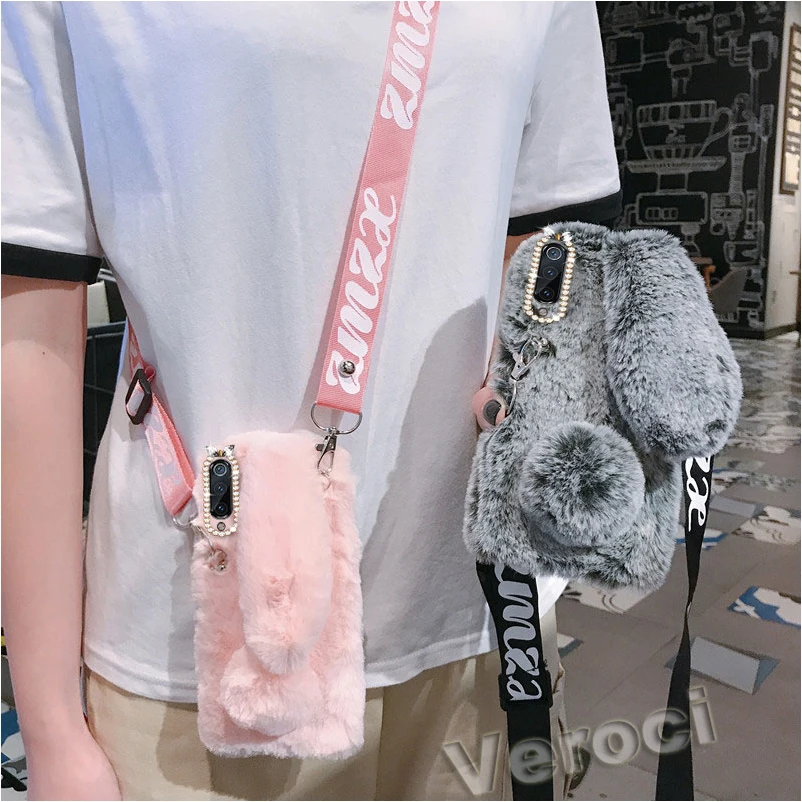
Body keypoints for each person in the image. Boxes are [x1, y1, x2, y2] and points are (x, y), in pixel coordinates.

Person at [1, 2, 620, 799]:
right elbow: (28, 334)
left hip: (477, 622)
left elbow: (551, 255)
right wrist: (49, 726)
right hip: (190, 649)